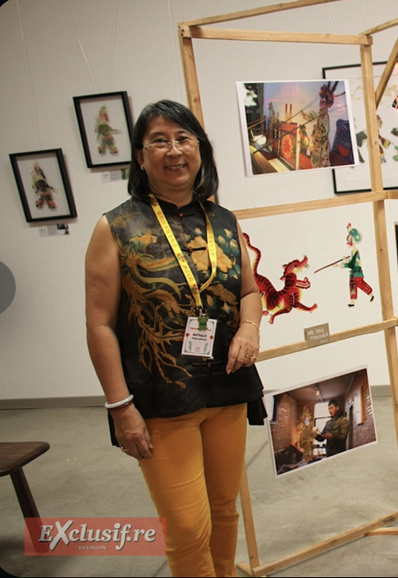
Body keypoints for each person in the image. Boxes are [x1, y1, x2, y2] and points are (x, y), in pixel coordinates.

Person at [84, 100, 265, 577]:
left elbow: (248, 291)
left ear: (200, 149)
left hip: (225, 389)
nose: (174, 150)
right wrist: (120, 408)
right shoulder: (116, 226)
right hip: (160, 399)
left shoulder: (224, 220)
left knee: (225, 510)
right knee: (187, 528)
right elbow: (99, 324)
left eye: (183, 139)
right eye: (159, 141)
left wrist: (250, 326)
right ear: (141, 158)